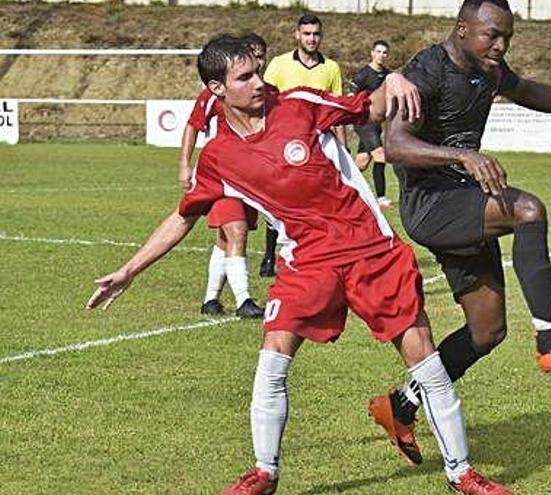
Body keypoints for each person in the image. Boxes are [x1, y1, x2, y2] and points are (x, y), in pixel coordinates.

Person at [87, 34, 511, 495]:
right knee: (272, 361)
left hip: (371, 249)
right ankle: (264, 473)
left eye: (257, 71)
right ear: (216, 90)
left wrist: (393, 78)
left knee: (424, 363)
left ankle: (461, 473)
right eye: (244, 77)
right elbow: (183, 216)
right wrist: (130, 269)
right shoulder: (219, 158)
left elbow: (365, 106)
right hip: (307, 261)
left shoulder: (298, 104)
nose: (258, 82)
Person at [368, 0, 551, 467]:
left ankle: (399, 405)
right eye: (492, 35)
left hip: (463, 202)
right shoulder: (428, 69)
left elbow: (527, 90)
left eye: (507, 38)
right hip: (431, 205)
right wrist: (465, 158)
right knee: (528, 210)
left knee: (486, 331)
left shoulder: (488, 67)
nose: (500, 45)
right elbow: (394, 145)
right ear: (462, 29)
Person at [176, 32, 267, 318]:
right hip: (222, 178)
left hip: (249, 180)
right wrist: (185, 164)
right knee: (236, 231)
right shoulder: (214, 96)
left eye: (260, 58)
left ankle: (210, 299)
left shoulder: (262, 96)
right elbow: (193, 126)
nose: (257, 65)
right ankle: (244, 301)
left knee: (226, 239)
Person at [260, 13, 346, 277]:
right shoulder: (279, 64)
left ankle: (317, 253)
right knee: (280, 199)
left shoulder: (331, 68)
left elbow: (337, 110)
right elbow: (265, 103)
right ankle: (269, 255)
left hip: (319, 144)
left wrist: (343, 150)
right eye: (307, 34)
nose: (312, 39)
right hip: (284, 142)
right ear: (297, 35)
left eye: (316, 34)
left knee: (318, 201)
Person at [350, 40, 393, 209]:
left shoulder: (388, 75)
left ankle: (338, 186)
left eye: (384, 52)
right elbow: (351, 98)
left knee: (361, 163)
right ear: (372, 53)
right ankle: (381, 198)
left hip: (375, 125)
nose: (381, 55)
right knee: (380, 156)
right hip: (363, 123)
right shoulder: (363, 75)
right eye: (378, 51)